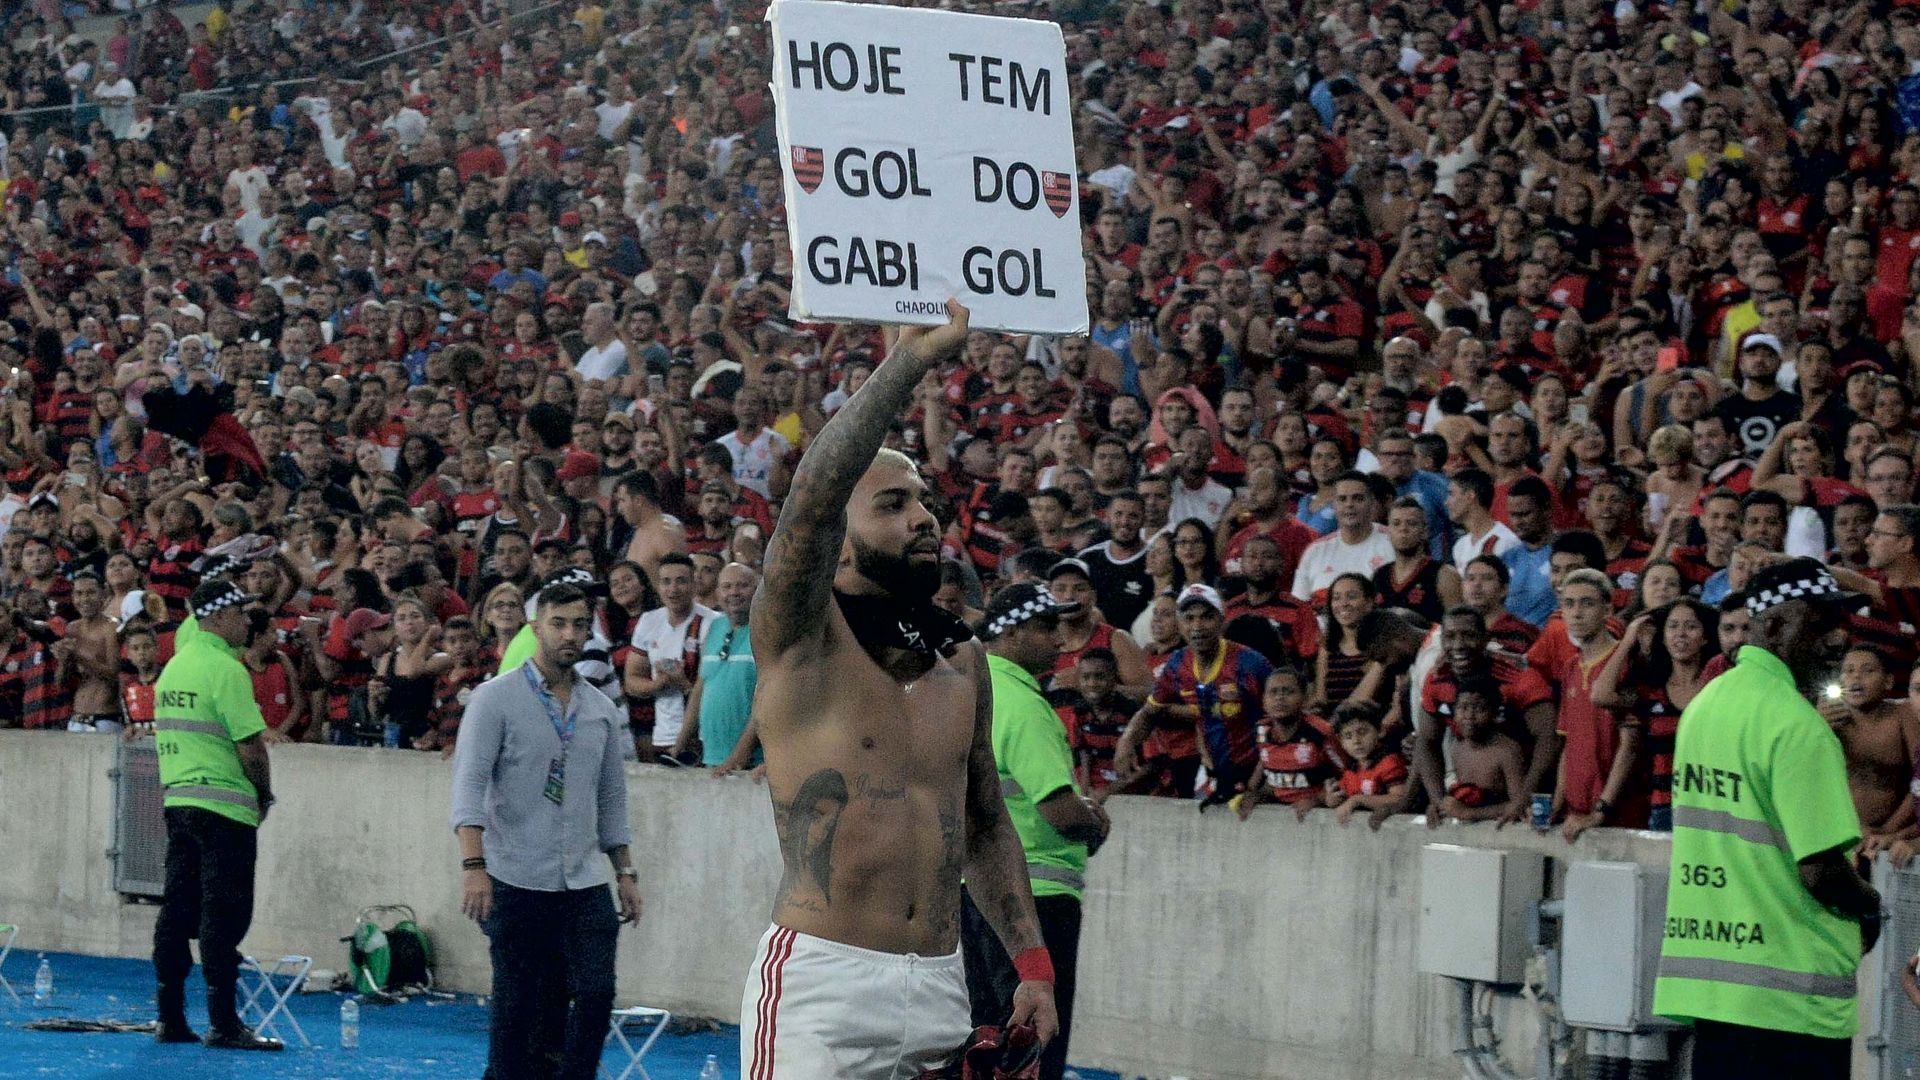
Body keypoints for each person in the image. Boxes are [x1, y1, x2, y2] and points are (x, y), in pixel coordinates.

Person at [740, 300, 1059, 1078]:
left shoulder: (964, 662)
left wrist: (1034, 965)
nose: (924, 519)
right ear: (840, 534)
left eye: (926, 504)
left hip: (941, 989)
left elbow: (984, 822)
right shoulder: (801, 639)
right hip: (823, 985)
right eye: (892, 503)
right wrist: (909, 362)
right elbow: (812, 496)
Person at [1654, 558, 1882, 1078]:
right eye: (1821, 624)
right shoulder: (1797, 725)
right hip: (1790, 1000)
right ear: (1775, 625)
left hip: (1716, 990)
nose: (1837, 641)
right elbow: (1820, 870)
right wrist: (1870, 905)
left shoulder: (1706, 705)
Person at [450, 581, 642, 1080]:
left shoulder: (599, 709)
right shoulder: (495, 700)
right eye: (559, 623)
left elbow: (611, 801)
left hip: (582, 880)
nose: (570, 635)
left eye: (580, 625)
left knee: (596, 991)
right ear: (536, 628)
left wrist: (626, 871)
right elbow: (468, 789)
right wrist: (474, 867)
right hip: (516, 875)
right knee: (519, 1005)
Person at [964, 582, 1111, 1080]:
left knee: (984, 1039)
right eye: (1047, 626)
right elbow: (1060, 811)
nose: (1062, 639)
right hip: (1038, 901)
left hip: (976, 896)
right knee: (1034, 1044)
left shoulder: (970, 692)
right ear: (1011, 631)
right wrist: (1094, 822)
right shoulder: (1026, 707)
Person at [150, 577, 280, 1051]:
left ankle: (168, 1017)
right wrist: (264, 794)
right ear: (221, 616)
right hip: (225, 807)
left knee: (177, 908)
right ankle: (224, 1022)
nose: (248, 621)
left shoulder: (175, 667)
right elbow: (250, 746)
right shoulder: (226, 670)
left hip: (179, 801)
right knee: (222, 916)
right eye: (242, 613)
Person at [681, 562, 761, 771]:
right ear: (717, 593)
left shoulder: (769, 631)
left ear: (759, 589)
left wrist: (740, 754)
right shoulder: (715, 627)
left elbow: (769, 700)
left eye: (742, 585)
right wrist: (679, 745)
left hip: (753, 761)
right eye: (726, 586)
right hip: (713, 756)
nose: (734, 592)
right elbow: (700, 689)